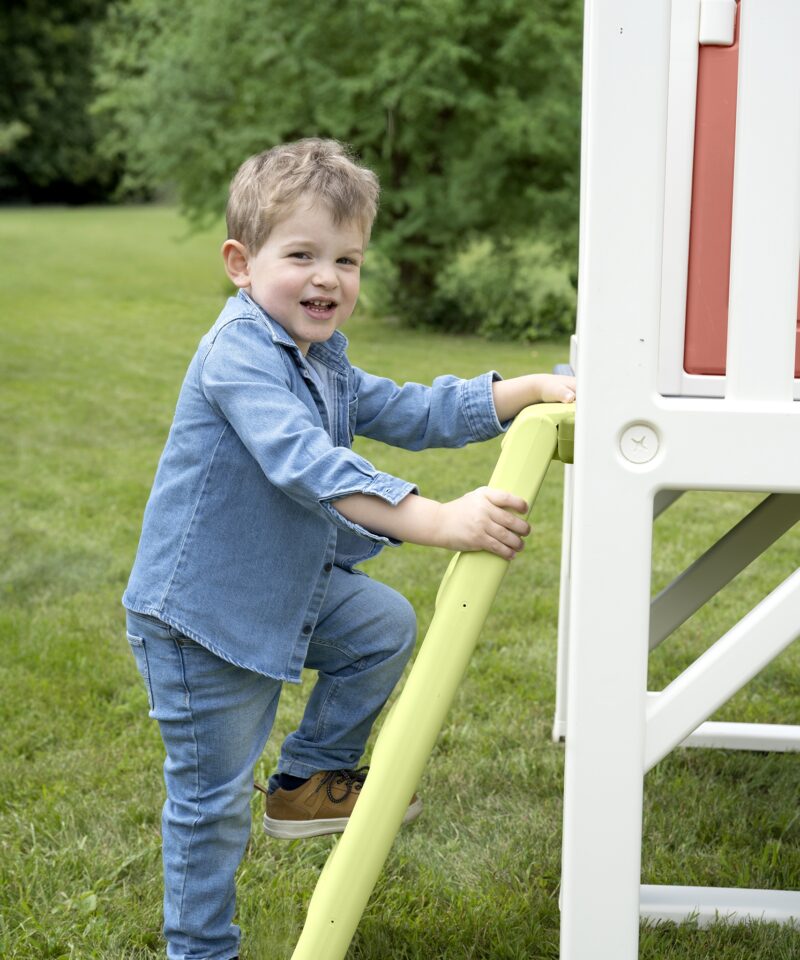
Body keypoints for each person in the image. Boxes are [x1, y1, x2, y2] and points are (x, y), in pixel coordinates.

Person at [123, 138, 576, 960]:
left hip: (285, 588)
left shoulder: (320, 355)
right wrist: (436, 519)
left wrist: (529, 392)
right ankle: (201, 950)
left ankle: (305, 781)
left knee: (377, 624)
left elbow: (408, 409)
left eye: (347, 259)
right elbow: (308, 463)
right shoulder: (239, 355)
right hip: (202, 617)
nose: (328, 277)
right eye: (301, 255)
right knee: (212, 802)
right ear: (240, 262)